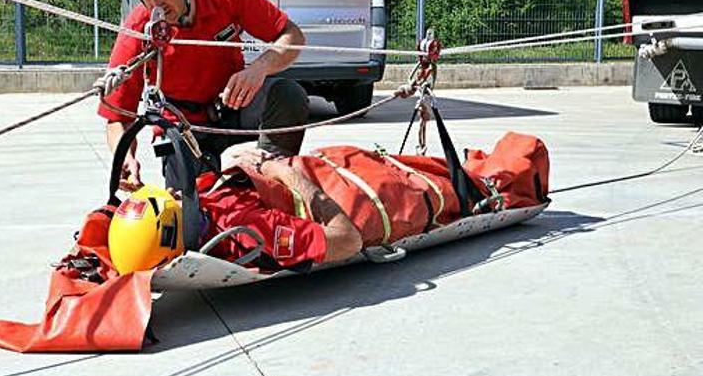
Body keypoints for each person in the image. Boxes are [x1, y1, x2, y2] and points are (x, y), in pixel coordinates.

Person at [108, 132, 551, 273]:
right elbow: (345, 240)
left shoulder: (196, 209)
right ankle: (515, 167)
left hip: (335, 167)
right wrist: (295, 179)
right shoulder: (253, 234)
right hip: (356, 195)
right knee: (462, 185)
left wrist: (249, 163)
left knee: (433, 165)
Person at [98, 0, 309, 191]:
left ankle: (271, 179)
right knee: (194, 206)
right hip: (184, 129)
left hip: (232, 107)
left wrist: (259, 68)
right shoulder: (139, 30)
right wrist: (124, 156)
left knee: (287, 95)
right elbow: (117, 116)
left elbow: (292, 35)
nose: (155, 7)